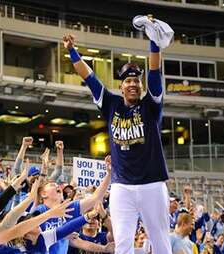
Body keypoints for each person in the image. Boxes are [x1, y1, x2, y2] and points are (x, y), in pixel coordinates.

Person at [63, 19, 171, 253]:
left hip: (152, 184)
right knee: (122, 245)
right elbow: (89, 77)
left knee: (161, 243)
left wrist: (154, 42)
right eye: (128, 81)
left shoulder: (151, 106)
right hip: (122, 186)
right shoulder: (110, 103)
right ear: (121, 86)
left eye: (136, 81)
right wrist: (72, 52)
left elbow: (154, 71)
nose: (133, 84)